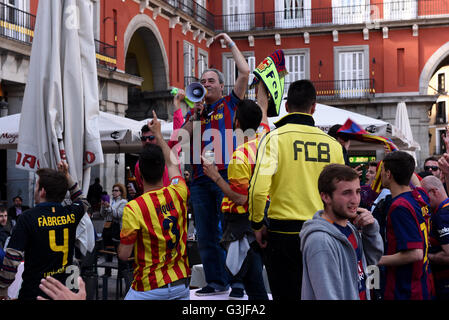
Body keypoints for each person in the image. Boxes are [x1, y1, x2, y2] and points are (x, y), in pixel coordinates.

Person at [248, 79, 345, 300]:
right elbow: (344, 192)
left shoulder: (274, 138)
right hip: (325, 230)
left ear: (286, 107)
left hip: (284, 233)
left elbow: (258, 190)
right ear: (314, 107)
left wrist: (256, 223)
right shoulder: (334, 145)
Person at [179, 33, 250, 296]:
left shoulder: (230, 103)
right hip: (199, 178)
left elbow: (244, 71)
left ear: (221, 86)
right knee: (206, 234)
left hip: (225, 174)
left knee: (230, 230)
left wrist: (229, 43)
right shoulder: (196, 110)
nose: (205, 84)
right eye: (202, 81)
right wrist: (195, 115)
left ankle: (237, 283)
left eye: (210, 81)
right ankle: (216, 281)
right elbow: (182, 137)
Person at [202, 83, 270, 300]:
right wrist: (261, 84)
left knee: (254, 284)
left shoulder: (240, 156)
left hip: (244, 224)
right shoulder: (267, 141)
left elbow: (241, 198)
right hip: (267, 216)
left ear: (237, 123)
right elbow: (264, 110)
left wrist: (214, 176)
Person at [118, 111, 190, 300]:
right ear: (162, 169)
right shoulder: (179, 192)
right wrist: (158, 135)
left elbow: (124, 255)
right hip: (180, 285)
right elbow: (173, 163)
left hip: (147, 289)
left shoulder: (134, 208)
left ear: (139, 173)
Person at [0, 162, 89, 300]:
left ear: (42, 191)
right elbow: (82, 200)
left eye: (36, 186)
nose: (34, 189)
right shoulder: (70, 214)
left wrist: (3, 287)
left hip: (34, 291)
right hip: (64, 292)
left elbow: (12, 258)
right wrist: (67, 176)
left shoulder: (27, 217)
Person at [300, 164, 383, 300]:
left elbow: (371, 263)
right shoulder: (321, 241)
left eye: (357, 191)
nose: (355, 200)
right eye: (346, 193)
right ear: (326, 197)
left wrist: (371, 230)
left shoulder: (350, 228)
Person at [377, 151, 434, 300]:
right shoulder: (420, 196)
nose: (380, 174)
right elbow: (415, 181)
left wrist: (375, 260)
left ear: (388, 174)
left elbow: (415, 253)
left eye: (382, 170)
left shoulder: (400, 206)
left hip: (405, 290)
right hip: (423, 283)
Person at [128, 89, 186, 199]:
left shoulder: (169, 152)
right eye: (144, 139)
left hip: (171, 202)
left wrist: (177, 104)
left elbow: (179, 132)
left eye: (151, 138)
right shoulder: (138, 165)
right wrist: (135, 192)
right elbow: (142, 190)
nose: (147, 141)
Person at [420, 175, 449, 299]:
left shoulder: (442, 215)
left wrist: (424, 256)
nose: (423, 201)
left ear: (434, 192)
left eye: (424, 196)